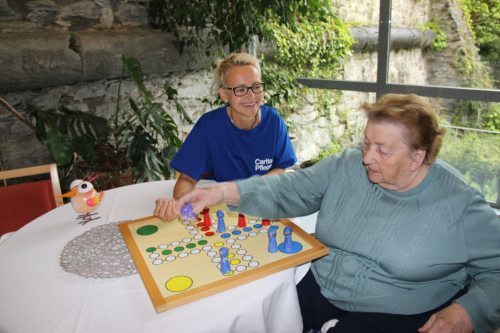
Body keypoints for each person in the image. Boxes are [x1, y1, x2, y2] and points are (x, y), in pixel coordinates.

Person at [167, 94, 500, 333]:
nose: (367, 157)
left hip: (394, 310)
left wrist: (469, 311)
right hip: (322, 284)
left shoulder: (457, 203)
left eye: (382, 149)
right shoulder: (347, 165)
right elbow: (288, 190)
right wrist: (222, 192)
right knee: (245, 308)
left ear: (417, 157)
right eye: (366, 143)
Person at [154, 52, 296, 221]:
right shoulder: (209, 126)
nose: (251, 96)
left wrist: (247, 190)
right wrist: (180, 202)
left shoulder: (274, 121)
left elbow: (280, 169)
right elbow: (187, 177)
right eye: (240, 89)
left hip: (263, 202)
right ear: (224, 95)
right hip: (221, 207)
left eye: (256, 86)